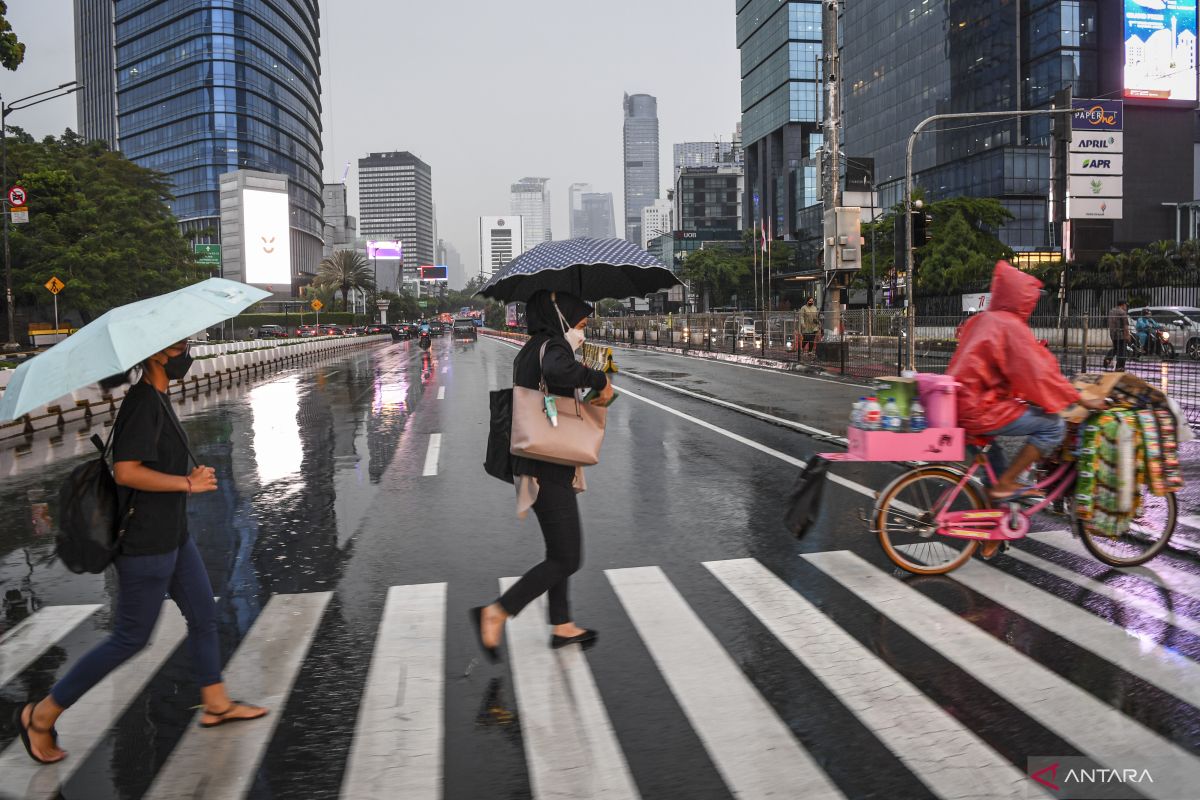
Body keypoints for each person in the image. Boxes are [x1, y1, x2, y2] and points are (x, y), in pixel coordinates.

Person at [13, 340, 266, 765]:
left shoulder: (159, 398)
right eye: (180, 346)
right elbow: (128, 471)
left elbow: (157, 463)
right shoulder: (143, 404)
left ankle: (216, 701)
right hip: (145, 541)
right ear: (154, 355)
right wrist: (188, 484)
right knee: (131, 638)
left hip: (174, 534)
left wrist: (190, 475)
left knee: (204, 614)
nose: (187, 353)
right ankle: (41, 714)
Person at [471, 290, 613, 659]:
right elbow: (557, 371)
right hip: (546, 462)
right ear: (561, 315)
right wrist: (598, 379)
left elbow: (552, 388)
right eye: (580, 323)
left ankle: (563, 624)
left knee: (558, 549)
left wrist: (588, 385)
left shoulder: (533, 346)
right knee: (567, 557)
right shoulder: (552, 346)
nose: (583, 330)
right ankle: (497, 612)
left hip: (539, 458)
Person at [947, 262, 1105, 554]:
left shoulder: (983, 319)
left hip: (958, 404)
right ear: (1022, 298)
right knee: (1052, 425)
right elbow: (1037, 373)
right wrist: (1080, 398)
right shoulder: (1009, 325)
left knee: (993, 468)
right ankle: (1008, 483)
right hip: (980, 408)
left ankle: (993, 533)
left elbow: (998, 364)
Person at [1103, 300, 1130, 371]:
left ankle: (1107, 359)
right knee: (1122, 351)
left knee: (1116, 348)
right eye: (1126, 306)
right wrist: (1127, 336)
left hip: (1113, 334)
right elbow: (1125, 326)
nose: (1126, 307)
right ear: (1123, 305)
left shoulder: (1111, 311)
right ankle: (1120, 367)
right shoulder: (1122, 312)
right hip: (1121, 335)